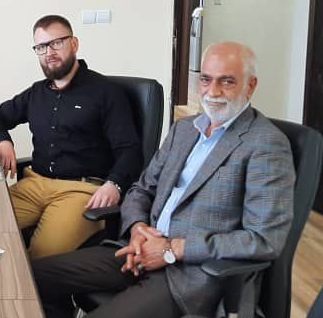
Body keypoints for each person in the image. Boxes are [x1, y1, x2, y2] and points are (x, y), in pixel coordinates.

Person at [32, 42, 295, 318]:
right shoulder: (185, 129)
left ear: (250, 86)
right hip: (138, 250)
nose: (213, 91)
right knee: (33, 277)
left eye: (227, 81)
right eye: (206, 80)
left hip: (190, 276)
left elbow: (263, 239)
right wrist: (138, 228)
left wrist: (172, 249)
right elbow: (141, 189)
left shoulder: (266, 144)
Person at [0, 14, 143, 259]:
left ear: (74, 44)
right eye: (41, 47)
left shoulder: (106, 93)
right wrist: (3, 141)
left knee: (38, 258)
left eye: (56, 43)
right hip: (34, 184)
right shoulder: (37, 92)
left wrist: (115, 184)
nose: (49, 52)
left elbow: (130, 149)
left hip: (80, 190)